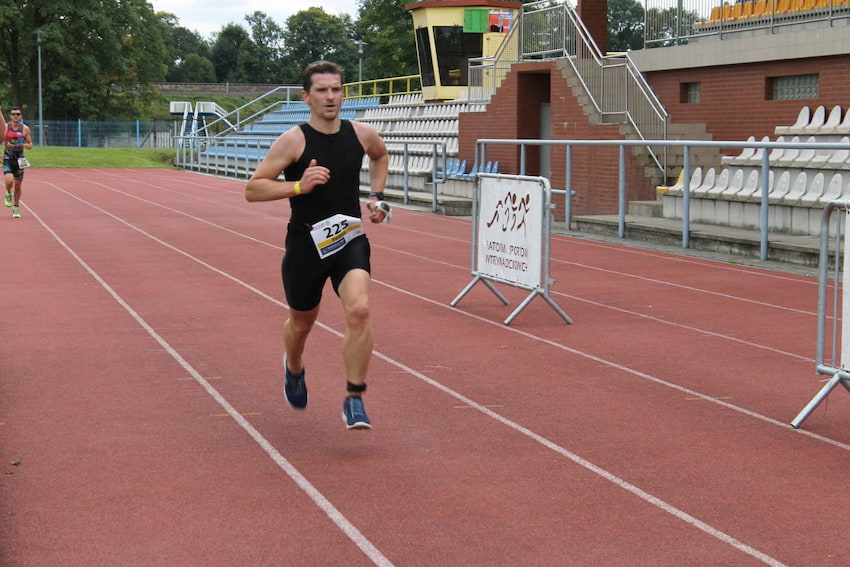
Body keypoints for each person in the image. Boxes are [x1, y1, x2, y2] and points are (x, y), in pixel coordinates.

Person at [245, 61, 389, 430]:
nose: (331, 97)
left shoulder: (361, 133)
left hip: (349, 240)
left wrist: (377, 197)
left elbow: (379, 155)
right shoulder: (293, 140)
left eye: (337, 89)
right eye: (322, 90)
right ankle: (293, 367)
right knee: (301, 322)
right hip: (306, 245)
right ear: (306, 97)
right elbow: (253, 188)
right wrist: (298, 186)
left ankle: (354, 397)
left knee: (359, 310)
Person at [4, 107, 33, 219]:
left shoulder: (25, 129)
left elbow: (30, 144)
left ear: (21, 116)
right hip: (8, 158)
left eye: (18, 114)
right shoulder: (6, 128)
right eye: (13, 114)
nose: (16, 116)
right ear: (10, 116)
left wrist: (27, 145)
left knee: (17, 186)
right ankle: (7, 193)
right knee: (9, 180)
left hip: (20, 160)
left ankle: (16, 207)